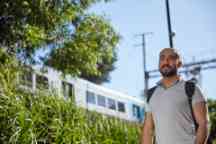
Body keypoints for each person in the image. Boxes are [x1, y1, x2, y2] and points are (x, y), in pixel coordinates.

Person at [141, 48, 209, 144]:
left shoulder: (191, 89)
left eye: (171, 58)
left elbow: (203, 124)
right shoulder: (152, 94)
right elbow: (148, 130)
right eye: (162, 58)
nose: (166, 61)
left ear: (179, 64)